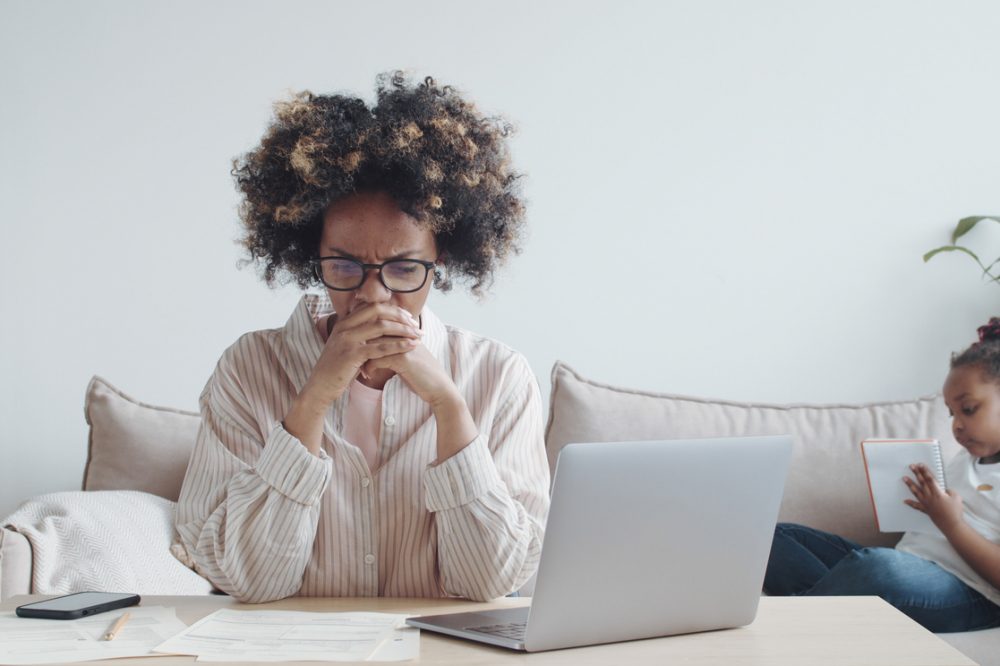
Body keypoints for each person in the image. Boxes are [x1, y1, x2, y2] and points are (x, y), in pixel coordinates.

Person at [173, 72, 550, 603]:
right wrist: (314, 399)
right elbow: (248, 582)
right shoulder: (248, 367)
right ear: (313, 252)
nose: (373, 298)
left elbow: (488, 584)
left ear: (440, 257)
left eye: (401, 269)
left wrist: (448, 404)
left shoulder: (499, 376)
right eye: (346, 266)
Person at [763, 319, 1000, 632]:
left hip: (971, 593)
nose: (956, 424)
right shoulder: (967, 456)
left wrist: (951, 524)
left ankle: (793, 626)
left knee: (878, 567)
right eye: (951, 413)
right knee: (774, 537)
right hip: (908, 565)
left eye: (968, 409)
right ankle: (826, 609)